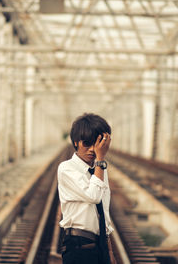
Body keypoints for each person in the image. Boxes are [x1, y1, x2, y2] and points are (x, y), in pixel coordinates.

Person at [57, 113, 116, 264]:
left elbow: (104, 211)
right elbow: (93, 196)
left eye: (96, 145)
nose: (91, 150)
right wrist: (100, 160)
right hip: (78, 247)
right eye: (86, 143)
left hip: (100, 245)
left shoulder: (100, 171)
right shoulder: (66, 168)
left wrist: (109, 251)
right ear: (76, 142)